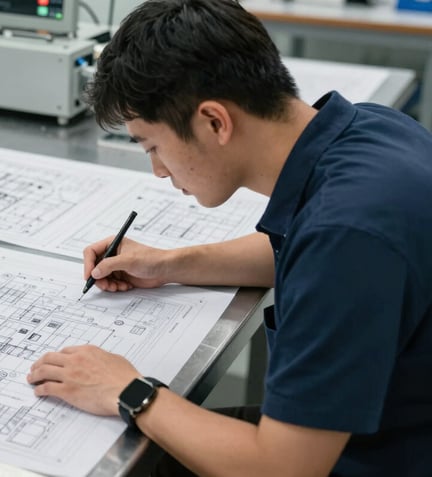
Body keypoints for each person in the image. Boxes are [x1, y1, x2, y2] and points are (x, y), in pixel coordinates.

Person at [25, 0, 432, 475]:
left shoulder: (344, 235)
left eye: (153, 146)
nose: (157, 171)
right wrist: (169, 263)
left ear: (215, 121)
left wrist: (126, 389)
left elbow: (284, 468)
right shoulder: (368, 129)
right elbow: (301, 249)